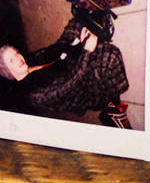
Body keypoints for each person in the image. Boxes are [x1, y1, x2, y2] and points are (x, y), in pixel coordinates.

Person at [0, 19, 130, 128]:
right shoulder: (35, 95)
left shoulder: (29, 61)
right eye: (11, 60)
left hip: (67, 65)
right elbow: (73, 81)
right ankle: (113, 107)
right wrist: (87, 51)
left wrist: (78, 42)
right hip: (83, 89)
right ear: (8, 72)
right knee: (111, 54)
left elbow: (54, 52)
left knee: (76, 24)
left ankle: (97, 29)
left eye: (16, 53)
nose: (18, 58)